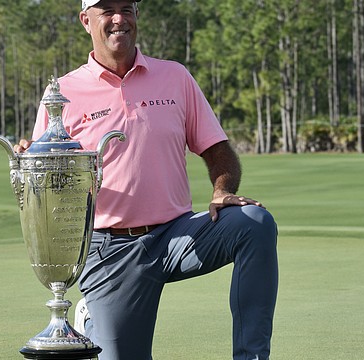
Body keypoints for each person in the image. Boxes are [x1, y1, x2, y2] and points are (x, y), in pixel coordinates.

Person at [14, 0, 279, 359]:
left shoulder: (175, 76)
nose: (119, 19)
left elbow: (217, 148)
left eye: (127, 8)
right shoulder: (63, 92)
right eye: (106, 10)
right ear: (85, 20)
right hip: (111, 249)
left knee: (255, 223)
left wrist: (222, 190)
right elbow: (50, 187)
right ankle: (94, 315)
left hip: (178, 234)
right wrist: (36, 158)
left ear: (137, 16)